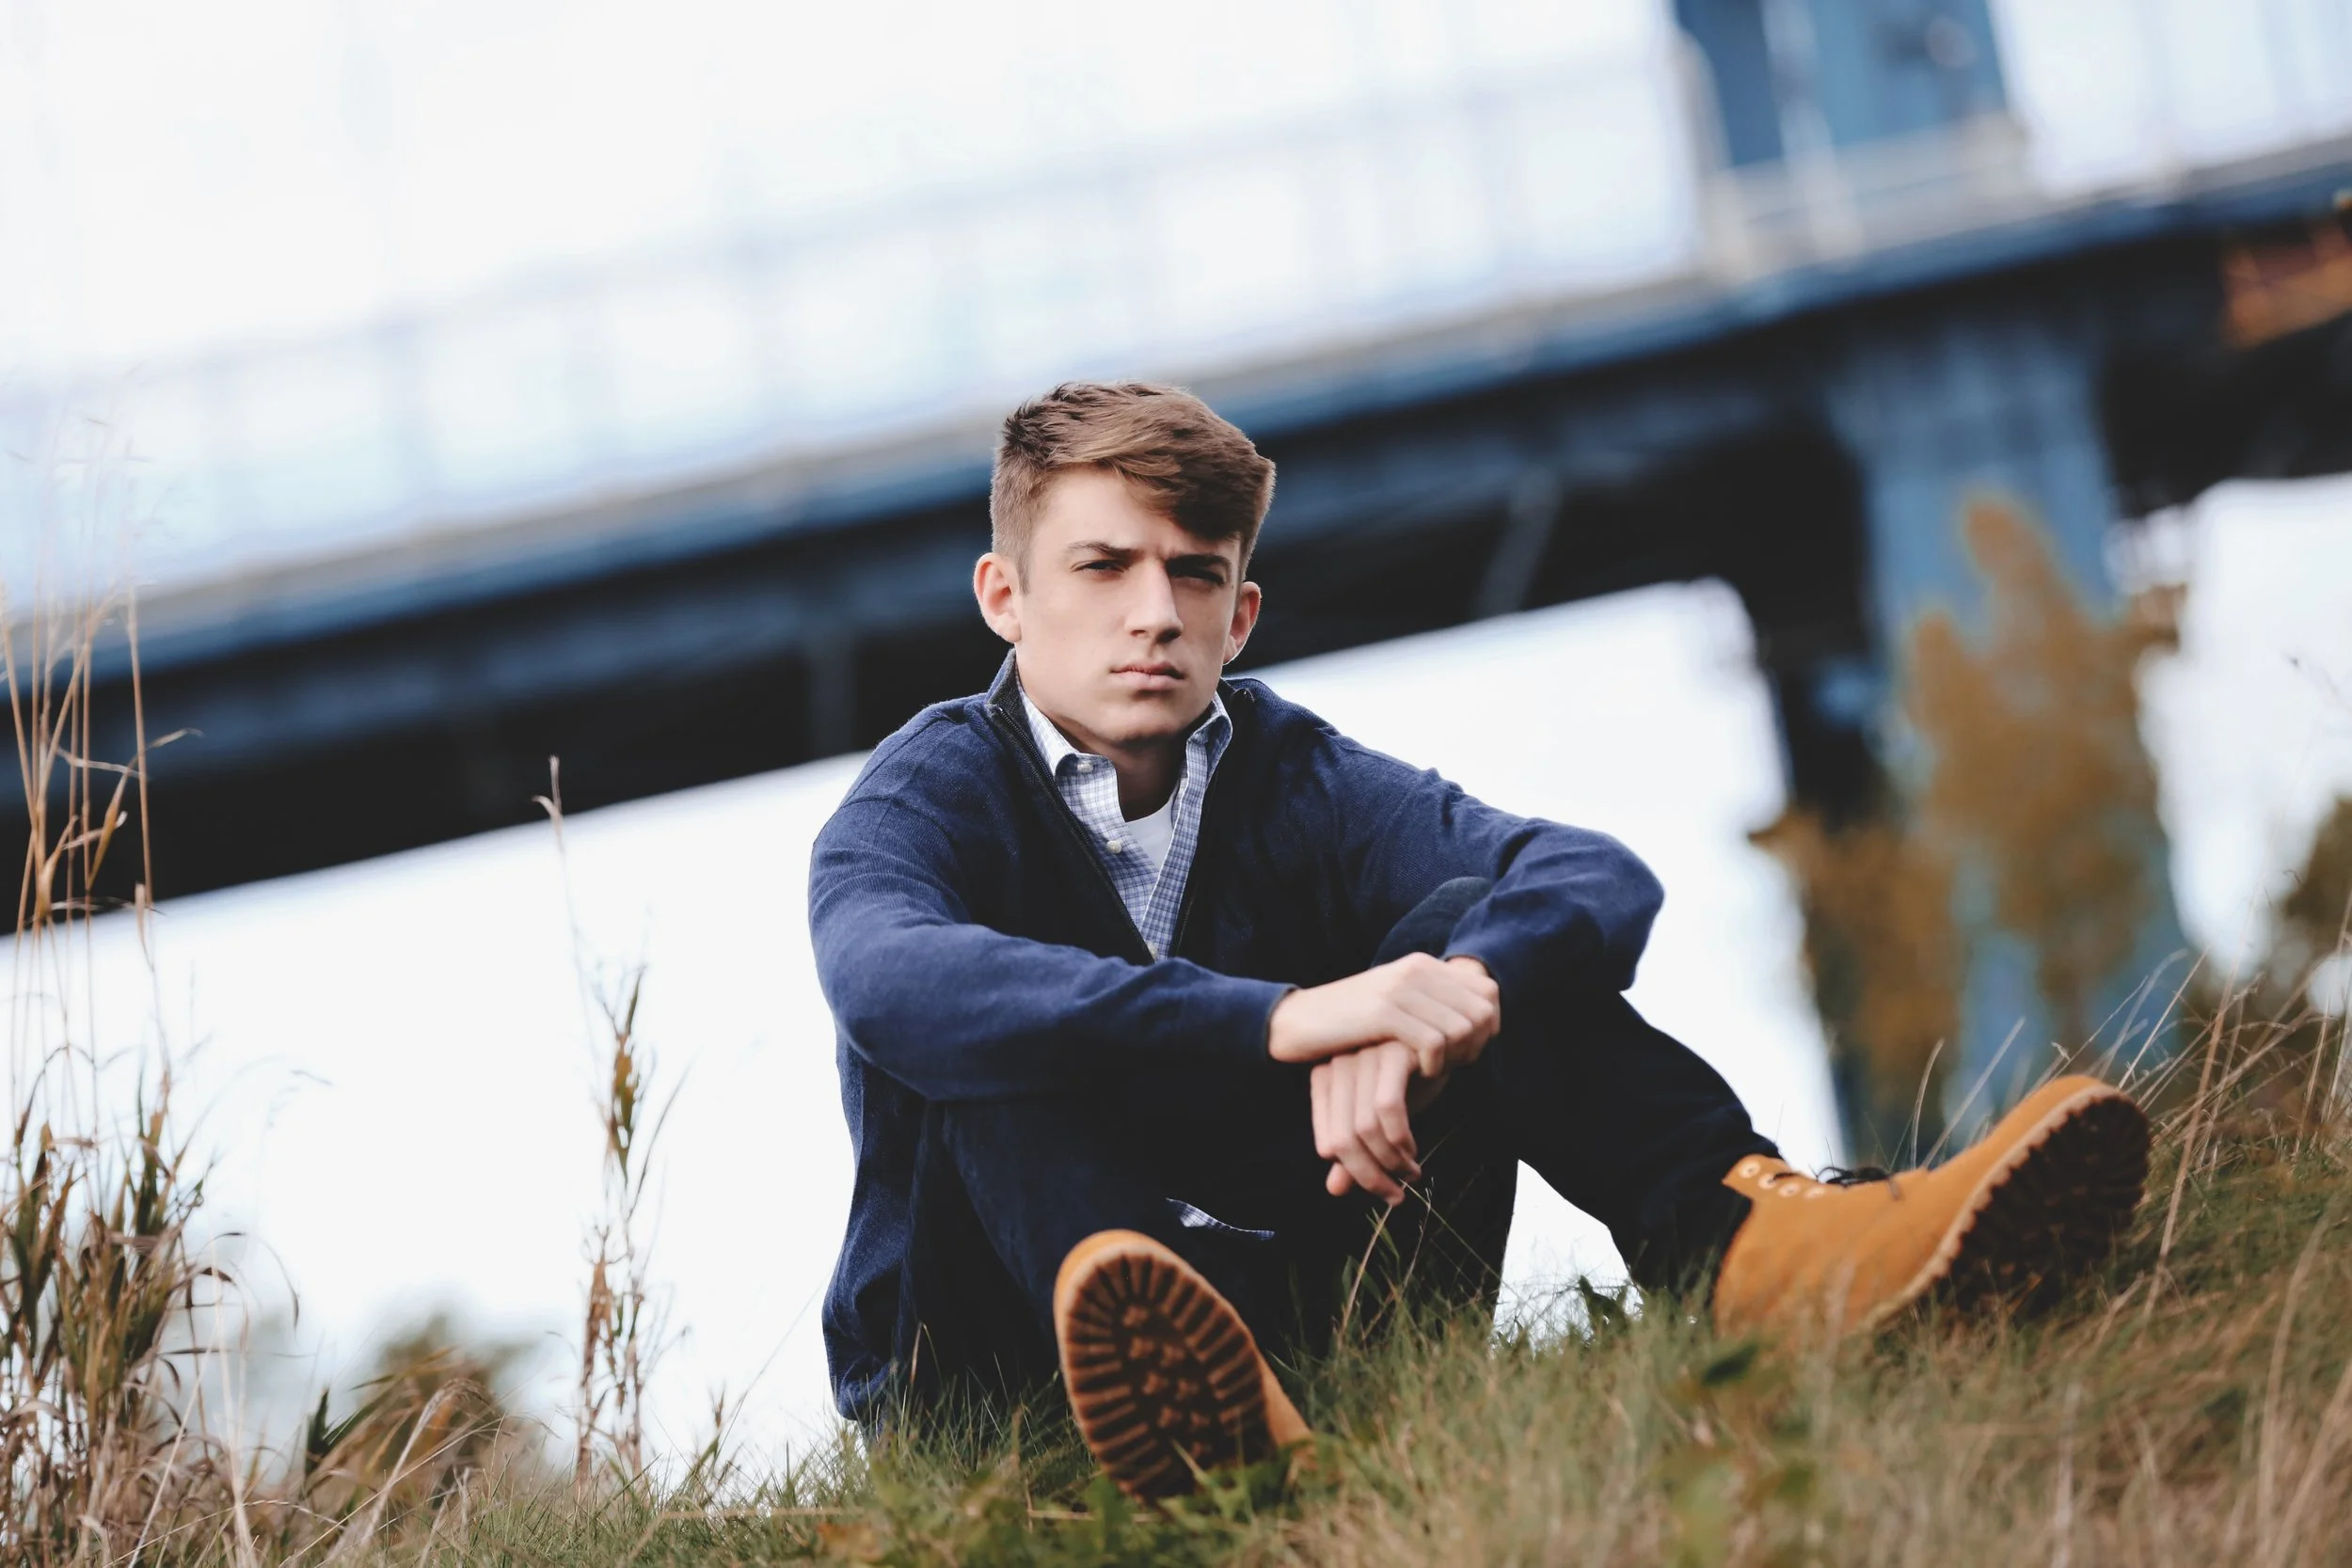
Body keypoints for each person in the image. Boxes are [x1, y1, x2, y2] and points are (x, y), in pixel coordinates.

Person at [808, 381, 2151, 1499]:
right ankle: (1175, 1405)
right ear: (1004, 596)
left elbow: (1587, 874)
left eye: (1194, 573)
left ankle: (1766, 1255)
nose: (1154, 610)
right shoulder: (930, 795)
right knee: (980, 1029)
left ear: (1242, 613)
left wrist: (1433, 1001)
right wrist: (1292, 1016)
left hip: (1312, 1292)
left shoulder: (1294, 772)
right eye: (1103, 566)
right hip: (997, 1364)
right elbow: (888, 977)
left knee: (1482, 934)